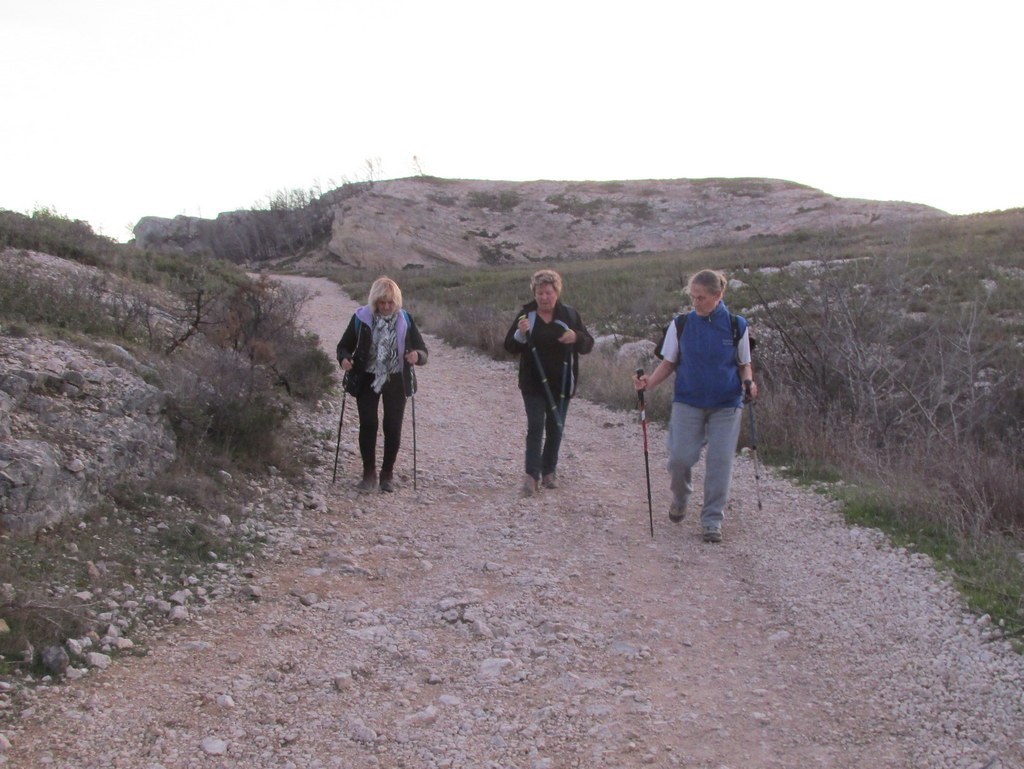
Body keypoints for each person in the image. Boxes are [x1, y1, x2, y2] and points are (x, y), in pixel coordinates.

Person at [634, 269, 758, 543]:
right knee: (679, 458)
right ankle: (680, 498)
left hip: (727, 404)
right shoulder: (681, 324)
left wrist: (749, 382)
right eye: (692, 297)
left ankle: (712, 520)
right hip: (688, 401)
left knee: (720, 462)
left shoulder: (737, 325)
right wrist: (649, 383)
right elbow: (669, 363)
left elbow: (743, 364)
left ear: (718, 296)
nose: (695, 303)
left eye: (701, 298)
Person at [504, 269, 594, 496]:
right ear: (534, 293)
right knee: (535, 426)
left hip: (562, 384)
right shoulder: (526, 316)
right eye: (540, 293)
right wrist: (520, 334)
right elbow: (509, 347)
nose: (544, 297)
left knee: (555, 427)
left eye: (548, 292)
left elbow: (587, 344)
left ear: (557, 292)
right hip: (532, 383)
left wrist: (577, 337)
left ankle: (549, 471)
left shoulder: (569, 316)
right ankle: (531, 476)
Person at [336, 277, 428, 493]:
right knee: (368, 424)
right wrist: (345, 359)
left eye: (390, 303)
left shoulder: (405, 319)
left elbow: (423, 350)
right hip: (367, 377)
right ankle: (369, 474)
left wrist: (417, 356)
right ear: (374, 301)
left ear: (396, 302)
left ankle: (387, 474)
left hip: (396, 378)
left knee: (392, 427)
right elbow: (343, 346)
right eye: (382, 302)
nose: (386, 307)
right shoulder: (361, 318)